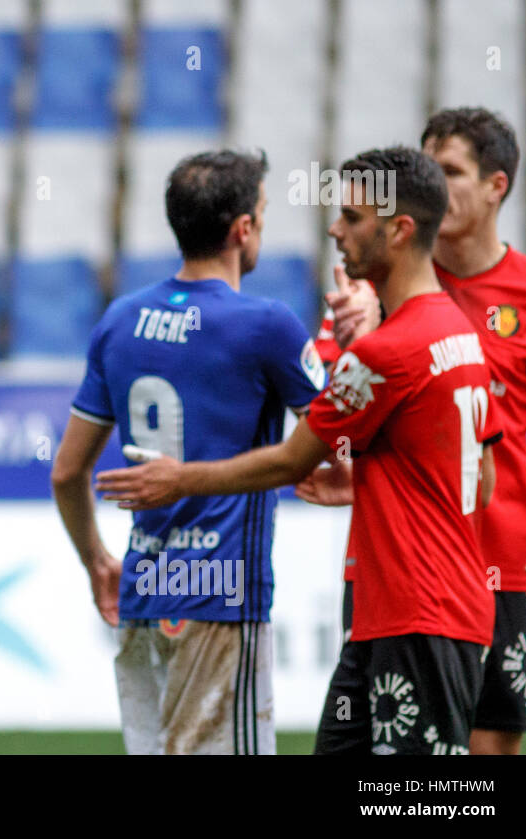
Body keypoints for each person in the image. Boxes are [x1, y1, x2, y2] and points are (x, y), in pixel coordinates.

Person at [100, 146, 502, 755]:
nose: (336, 230)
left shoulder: (384, 353)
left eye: (352, 217)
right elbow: (484, 480)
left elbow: (293, 460)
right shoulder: (458, 334)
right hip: (403, 616)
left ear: (399, 230)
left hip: (420, 616)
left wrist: (180, 479)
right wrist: (372, 476)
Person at [51, 149, 325, 754]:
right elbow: (333, 444)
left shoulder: (121, 320)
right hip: (223, 595)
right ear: (243, 228)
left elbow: (68, 471)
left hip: (145, 593)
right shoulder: (269, 325)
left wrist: (97, 562)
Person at [311, 108, 526, 754]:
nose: (438, 185)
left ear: (498, 185)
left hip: (508, 552)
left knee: (483, 758)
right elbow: (326, 416)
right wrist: (359, 334)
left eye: (452, 171)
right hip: (402, 566)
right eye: (429, 170)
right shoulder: (377, 286)